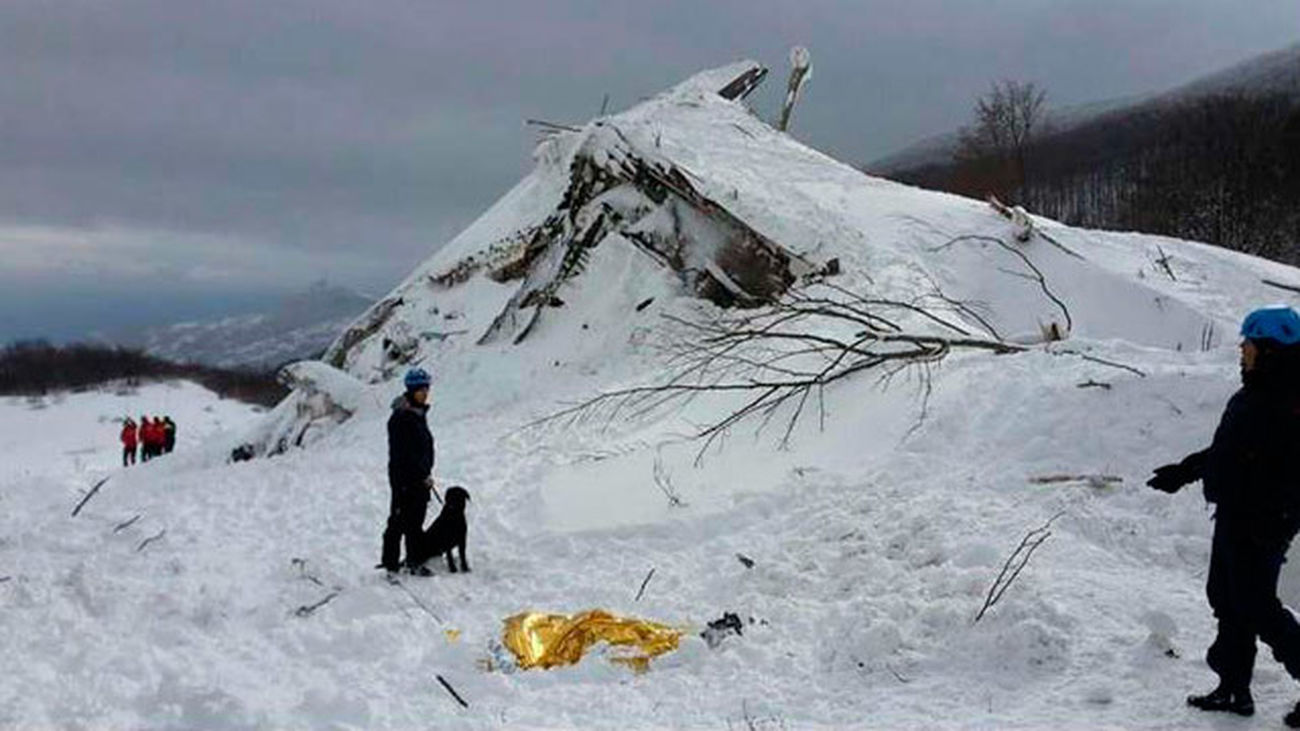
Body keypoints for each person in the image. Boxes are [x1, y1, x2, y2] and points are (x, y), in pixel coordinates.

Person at [1148, 305, 1300, 723]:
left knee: (1258, 608)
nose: (1242, 349)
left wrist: (1280, 517)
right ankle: (1233, 688)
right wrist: (1186, 471)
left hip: (1263, 522)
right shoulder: (1255, 393)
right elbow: (1230, 453)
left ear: (1269, 349)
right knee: (1228, 600)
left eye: (1248, 343)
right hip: (1236, 514)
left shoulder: (1288, 404)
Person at [379, 367, 436, 576]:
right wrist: (421, 475)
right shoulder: (402, 418)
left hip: (419, 477)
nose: (425, 392)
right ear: (411, 390)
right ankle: (391, 564)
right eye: (421, 389)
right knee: (399, 520)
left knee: (415, 521)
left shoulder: (416, 413)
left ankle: (414, 560)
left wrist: (425, 473)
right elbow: (404, 454)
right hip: (405, 478)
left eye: (426, 388)